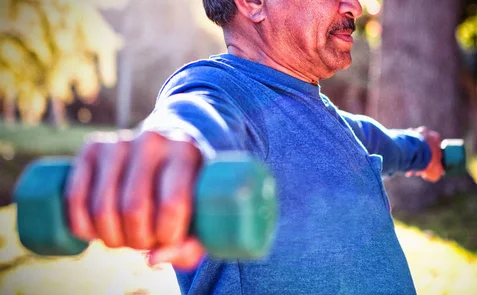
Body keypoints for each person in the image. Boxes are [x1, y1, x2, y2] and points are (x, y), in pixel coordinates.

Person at [65, 0, 444, 294]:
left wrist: (426, 151)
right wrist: (178, 151)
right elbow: (194, 114)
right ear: (253, 3)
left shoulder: (331, 120)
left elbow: (385, 144)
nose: (354, 7)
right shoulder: (224, 89)